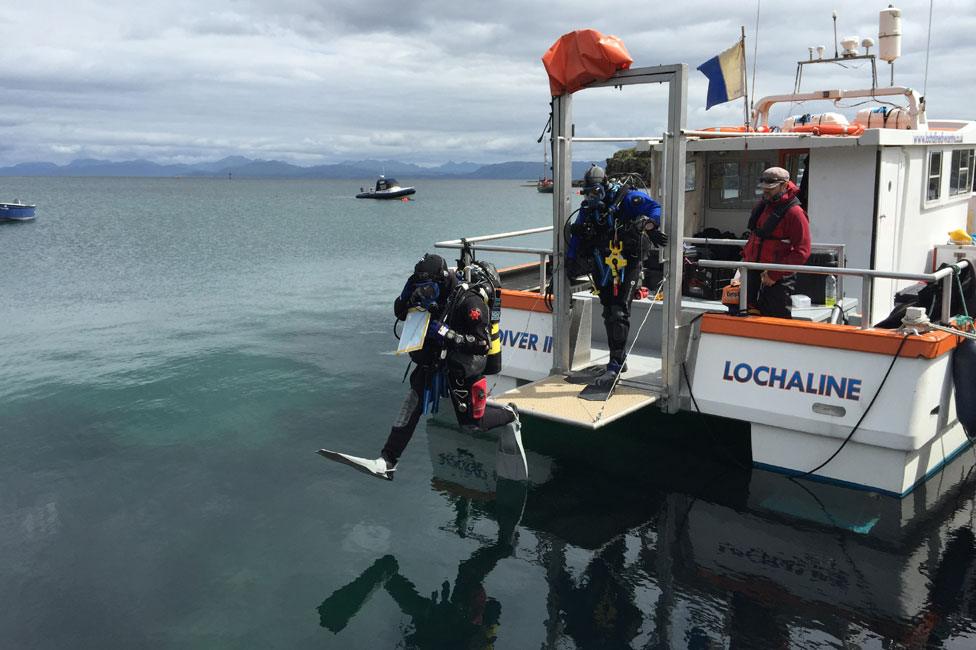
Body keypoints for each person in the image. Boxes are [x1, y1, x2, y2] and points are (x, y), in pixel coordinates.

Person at [362, 253, 524, 480]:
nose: (424, 293)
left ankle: (509, 414)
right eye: (420, 287)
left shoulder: (470, 302)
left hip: (462, 362)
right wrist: (410, 297)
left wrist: (447, 334)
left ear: (441, 282)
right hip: (434, 357)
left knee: (471, 423)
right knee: (412, 404)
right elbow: (399, 311)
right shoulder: (419, 288)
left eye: (428, 289)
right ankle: (388, 461)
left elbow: (482, 344)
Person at [565, 165, 666, 387]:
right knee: (608, 308)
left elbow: (655, 208)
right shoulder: (588, 210)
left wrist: (649, 224)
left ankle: (615, 365)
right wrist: (568, 264)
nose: (592, 197)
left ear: (605, 186)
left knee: (619, 311)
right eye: (588, 192)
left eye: (596, 192)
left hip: (628, 261)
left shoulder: (628, 199)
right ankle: (618, 359)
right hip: (604, 264)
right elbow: (577, 236)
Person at [741, 166, 812, 318]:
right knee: (745, 315)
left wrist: (774, 274)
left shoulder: (795, 213)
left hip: (777, 278)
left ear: (784, 186)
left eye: (771, 188)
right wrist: (744, 262)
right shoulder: (763, 206)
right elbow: (755, 237)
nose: (766, 192)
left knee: (775, 319)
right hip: (752, 271)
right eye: (764, 188)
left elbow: (802, 251)